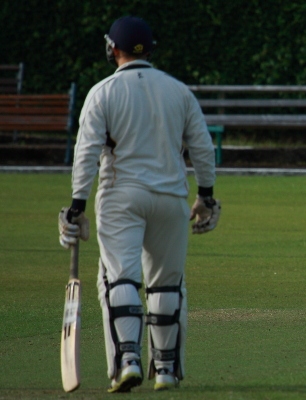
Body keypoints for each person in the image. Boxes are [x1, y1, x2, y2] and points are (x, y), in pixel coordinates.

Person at [57, 16, 220, 392]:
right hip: (171, 198)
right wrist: (206, 196)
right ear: (152, 49)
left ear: (112, 48)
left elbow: (87, 152)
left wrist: (77, 205)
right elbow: (201, 147)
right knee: (166, 284)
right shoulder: (178, 91)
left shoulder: (103, 92)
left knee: (120, 276)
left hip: (121, 197)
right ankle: (164, 369)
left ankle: (127, 359)